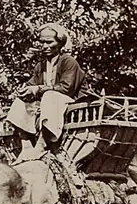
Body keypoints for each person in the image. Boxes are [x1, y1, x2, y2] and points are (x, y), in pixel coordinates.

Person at [5, 22, 86, 161]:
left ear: (60, 43)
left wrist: (38, 89)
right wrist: (25, 90)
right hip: (50, 102)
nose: (45, 46)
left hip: (70, 101)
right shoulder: (41, 65)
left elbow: (66, 88)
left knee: (50, 96)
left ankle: (41, 146)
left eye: (49, 42)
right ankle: (26, 147)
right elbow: (32, 84)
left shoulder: (68, 61)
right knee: (20, 102)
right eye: (42, 42)